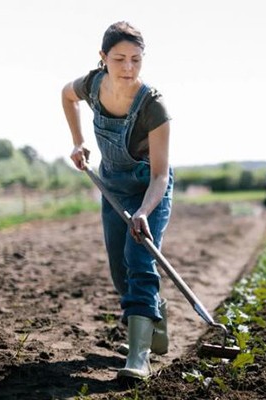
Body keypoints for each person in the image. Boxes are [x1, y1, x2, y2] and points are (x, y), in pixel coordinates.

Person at [61, 21, 172, 380]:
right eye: (120, 59)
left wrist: (143, 211)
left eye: (136, 60)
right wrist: (78, 141)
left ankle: (138, 357)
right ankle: (153, 313)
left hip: (148, 192)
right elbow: (66, 95)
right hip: (112, 187)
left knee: (138, 259)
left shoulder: (154, 107)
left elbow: (159, 176)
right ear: (103, 58)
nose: (128, 68)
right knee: (120, 271)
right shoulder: (92, 85)